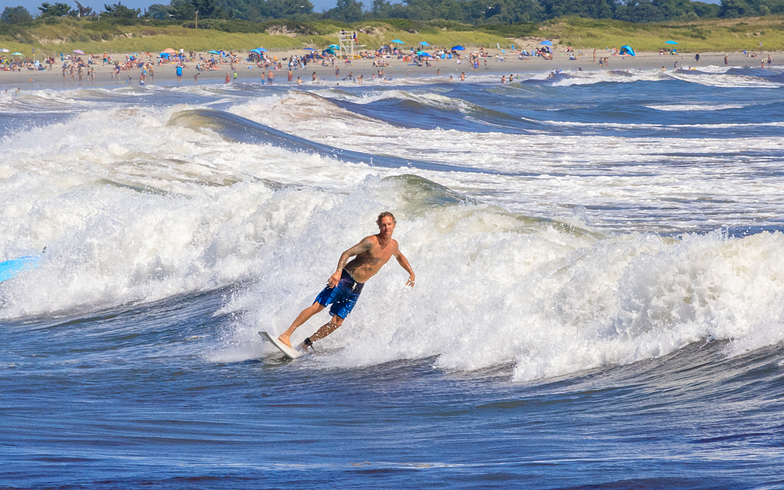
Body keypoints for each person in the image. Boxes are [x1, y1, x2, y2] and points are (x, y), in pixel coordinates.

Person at [277, 212, 415, 351]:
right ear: (379, 226)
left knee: (337, 322)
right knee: (317, 307)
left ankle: (306, 343)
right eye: (383, 224)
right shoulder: (370, 242)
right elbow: (347, 253)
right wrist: (338, 272)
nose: (386, 227)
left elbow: (400, 257)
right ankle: (286, 335)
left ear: (394, 225)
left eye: (389, 224)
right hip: (345, 278)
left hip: (357, 287)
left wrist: (411, 272)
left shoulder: (393, 245)